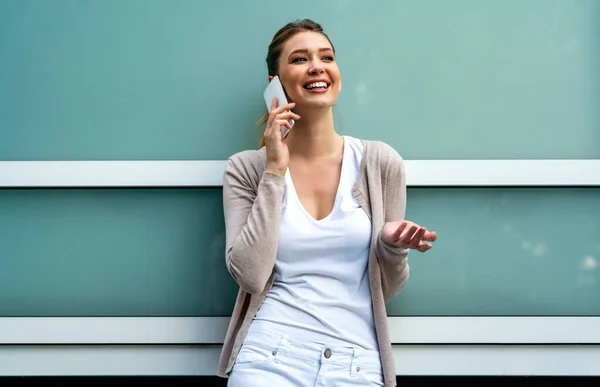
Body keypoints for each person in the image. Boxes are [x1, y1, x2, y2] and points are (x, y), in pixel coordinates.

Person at [218, 19, 437, 387]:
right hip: (269, 356)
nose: (317, 66)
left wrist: (391, 247)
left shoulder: (380, 163)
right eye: (300, 59)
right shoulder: (246, 169)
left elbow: (388, 289)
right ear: (275, 83)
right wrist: (274, 170)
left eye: (327, 57)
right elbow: (251, 275)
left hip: (355, 362)